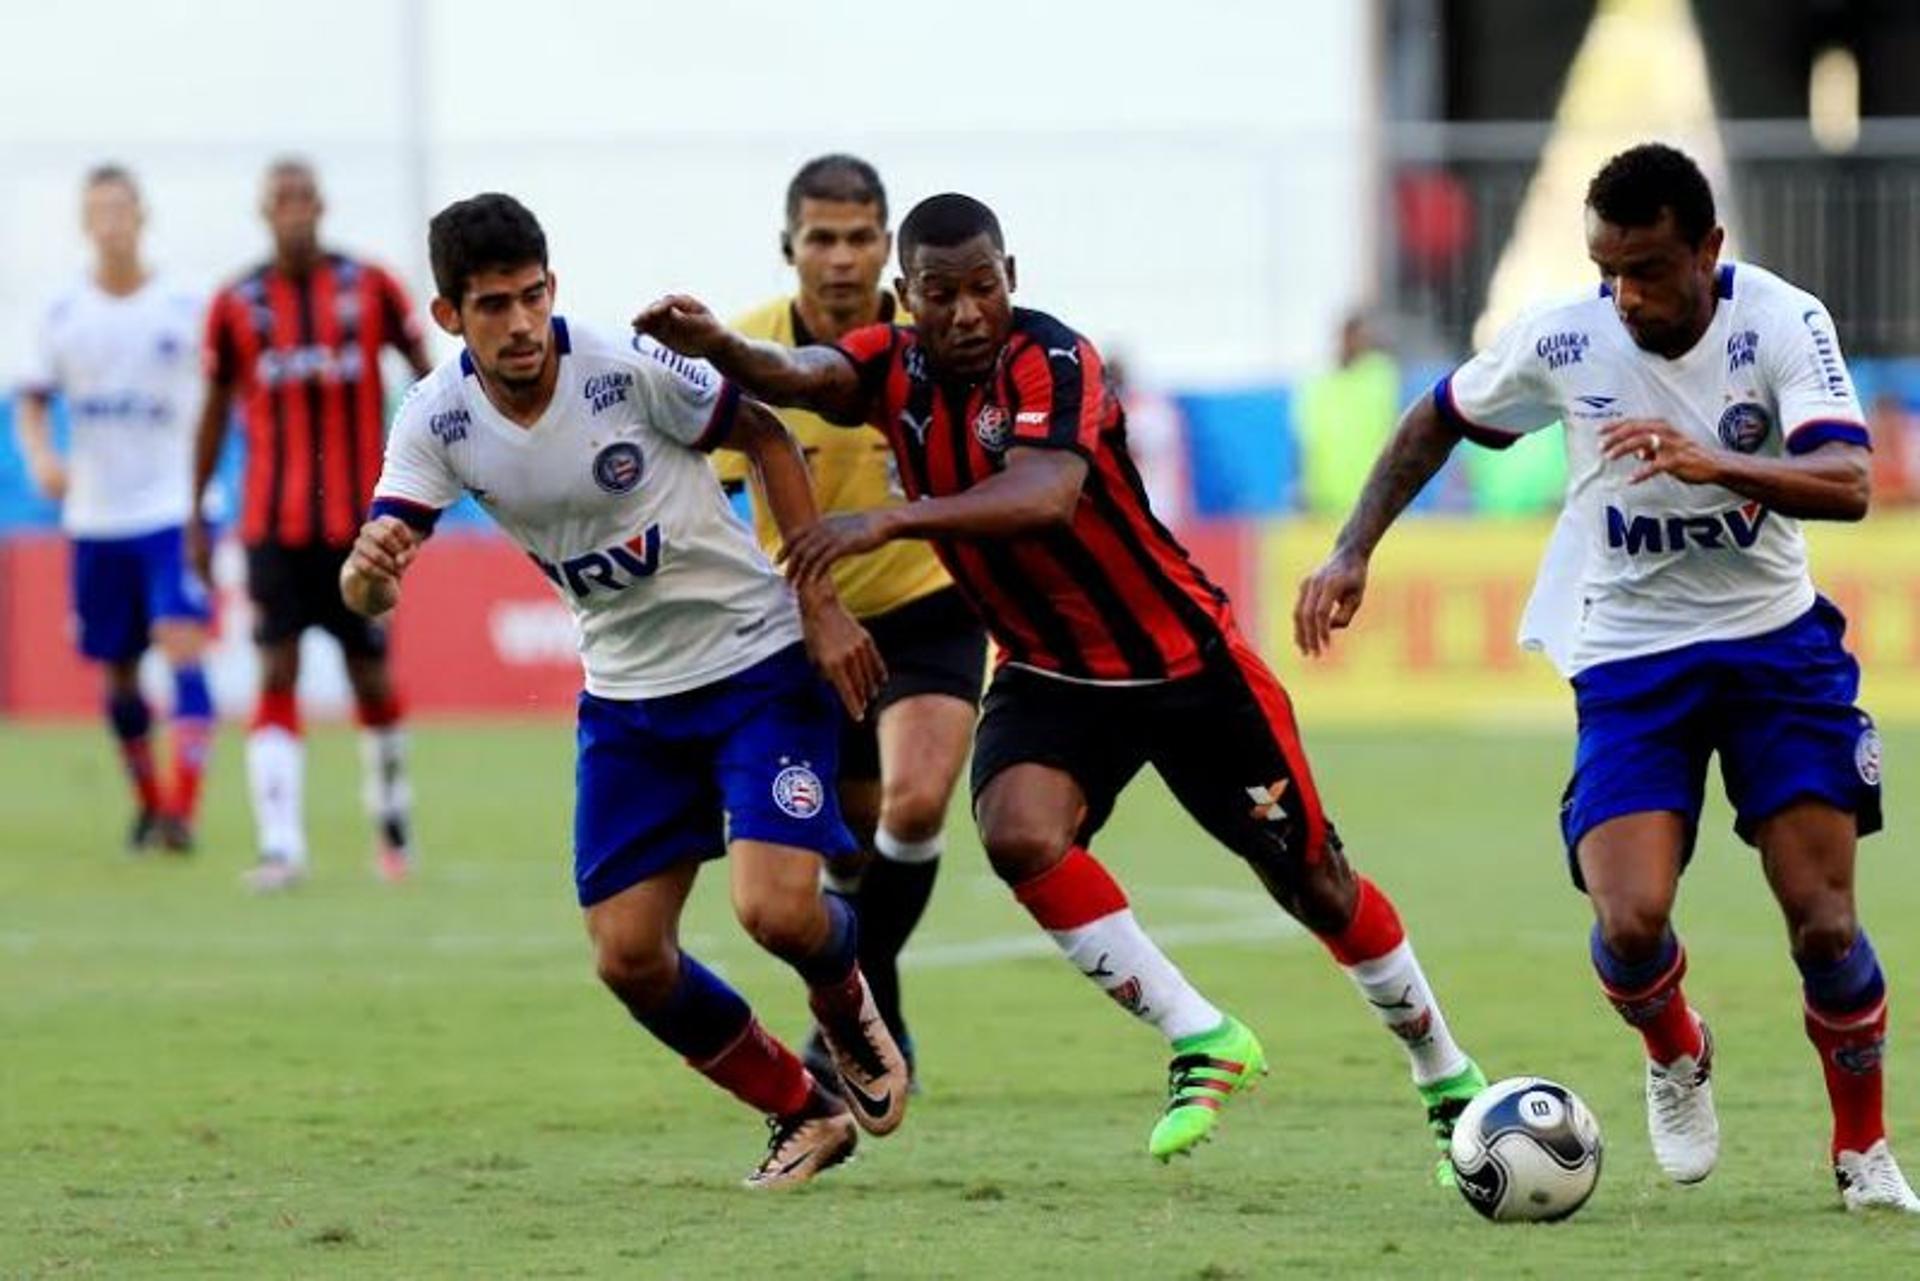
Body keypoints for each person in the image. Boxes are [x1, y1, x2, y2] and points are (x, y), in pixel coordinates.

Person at [637, 192, 1485, 1176]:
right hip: (1049, 674)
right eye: (941, 294)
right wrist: (721, 348)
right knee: (1016, 834)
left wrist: (895, 521)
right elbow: (802, 373)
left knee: (1316, 884)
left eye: (983, 287)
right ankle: (1202, 1037)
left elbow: (1047, 496)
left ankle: (1444, 1070)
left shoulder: (1056, 359)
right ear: (907, 297)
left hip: (1184, 665)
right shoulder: (888, 361)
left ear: (1012, 278)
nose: (965, 313)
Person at [1294, 142, 1914, 1213]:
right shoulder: (1566, 333)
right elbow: (1439, 414)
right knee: (1629, 925)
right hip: (1630, 658)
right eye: (1609, 270)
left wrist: (1714, 459)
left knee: (1823, 922)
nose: (1626, 296)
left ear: (1709, 251)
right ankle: (1677, 1052)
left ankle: (1862, 1151)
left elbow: (1850, 479)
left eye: (1650, 271)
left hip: (1775, 648)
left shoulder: (1780, 320)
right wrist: (1353, 547)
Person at [341, 192, 909, 1188]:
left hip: (754, 666)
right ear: (447, 317)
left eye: (531, 297)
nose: (518, 325)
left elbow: (771, 436)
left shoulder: (628, 368)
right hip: (629, 703)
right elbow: (369, 585)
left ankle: (845, 1000)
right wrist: (369, 569)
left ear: (552, 287)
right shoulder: (436, 418)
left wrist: (818, 606)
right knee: (627, 956)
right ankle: (801, 1111)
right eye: (490, 307)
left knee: (776, 912)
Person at [710, 155, 986, 1089]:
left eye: (860, 237)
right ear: (789, 245)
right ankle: (876, 997)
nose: (840, 258)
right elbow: (708, 510)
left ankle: (861, 994)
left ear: (888, 249)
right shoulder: (742, 353)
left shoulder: (936, 341)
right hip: (806, 630)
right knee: (856, 842)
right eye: (821, 238)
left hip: (927, 607)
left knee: (915, 803)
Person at [193, 158, 433, 890]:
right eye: (280, 201)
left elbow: (428, 375)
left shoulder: (371, 286)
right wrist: (195, 511)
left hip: (358, 524)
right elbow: (211, 409)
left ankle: (392, 821)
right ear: (263, 211)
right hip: (272, 524)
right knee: (276, 667)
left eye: (303, 199)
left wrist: (434, 469)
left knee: (369, 672)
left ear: (320, 205)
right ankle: (280, 844)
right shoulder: (237, 301)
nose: (293, 211)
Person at [14, 164, 215, 852]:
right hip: (97, 516)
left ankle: (182, 813)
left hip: (174, 507)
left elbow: (227, 385)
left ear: (141, 216)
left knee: (182, 641)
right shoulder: (61, 310)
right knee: (119, 668)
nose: (111, 222)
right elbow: (32, 399)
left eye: (121, 208)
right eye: (98, 210)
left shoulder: (185, 302)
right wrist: (41, 457)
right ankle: (149, 801)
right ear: (85, 222)